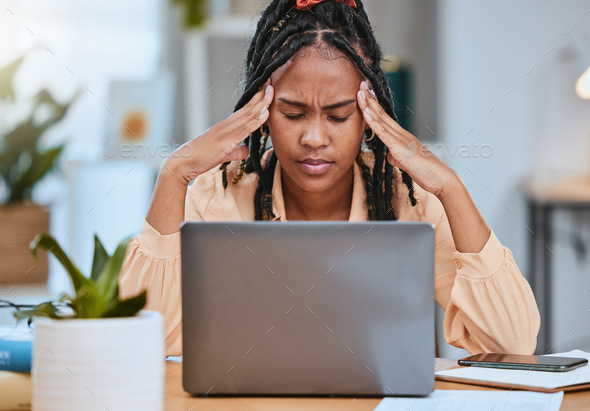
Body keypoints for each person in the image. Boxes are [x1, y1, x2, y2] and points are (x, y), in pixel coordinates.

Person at [120, 0, 540, 357]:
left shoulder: (408, 201)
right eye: (293, 114)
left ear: (368, 114)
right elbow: (148, 345)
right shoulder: (221, 196)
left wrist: (451, 187)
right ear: (261, 111)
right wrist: (175, 173)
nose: (314, 138)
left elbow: (513, 343)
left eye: (339, 115)